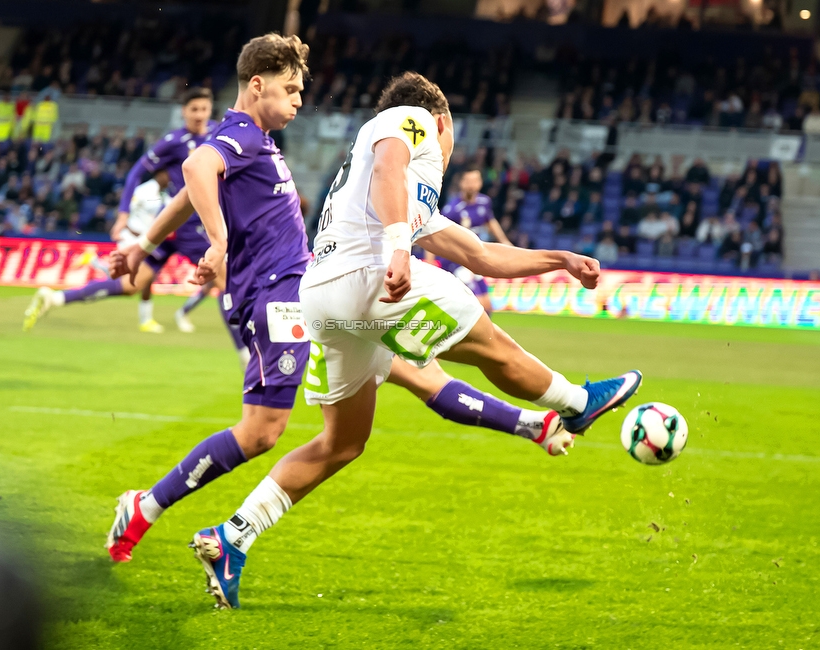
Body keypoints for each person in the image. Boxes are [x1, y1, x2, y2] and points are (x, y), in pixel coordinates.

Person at [103, 40, 570, 572]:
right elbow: (195, 168)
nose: (301, 100)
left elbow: (192, 186)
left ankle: (536, 425)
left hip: (309, 295)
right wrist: (217, 240)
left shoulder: (252, 141)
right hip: (278, 299)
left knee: (413, 377)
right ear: (258, 85)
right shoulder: (238, 134)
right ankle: (145, 506)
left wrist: (143, 245)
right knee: (262, 432)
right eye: (292, 89)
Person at [187, 72, 641, 609]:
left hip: (325, 301)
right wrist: (401, 250)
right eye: (453, 141)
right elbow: (389, 168)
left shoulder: (408, 198)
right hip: (372, 276)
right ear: (442, 123)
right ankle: (575, 403)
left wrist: (559, 261)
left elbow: (481, 255)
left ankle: (232, 537)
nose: (449, 153)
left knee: (343, 443)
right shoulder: (414, 120)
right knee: (487, 342)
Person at [113, 87, 220, 334]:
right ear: (183, 112)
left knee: (223, 279)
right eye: (194, 109)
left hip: (214, 217)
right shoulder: (174, 142)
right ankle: (249, 349)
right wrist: (122, 215)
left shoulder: (219, 133)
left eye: (204, 109)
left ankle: (180, 313)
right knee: (223, 279)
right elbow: (135, 173)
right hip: (183, 222)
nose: (199, 115)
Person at [429, 166, 512, 314]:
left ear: (480, 183)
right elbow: (434, 233)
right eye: (468, 181)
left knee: (487, 305)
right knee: (478, 304)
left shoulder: (484, 202)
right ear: (461, 184)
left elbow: (490, 221)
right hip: (457, 261)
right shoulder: (453, 209)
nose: (472, 184)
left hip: (475, 259)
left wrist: (504, 241)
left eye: (475, 180)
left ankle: (480, 336)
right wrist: (430, 261)